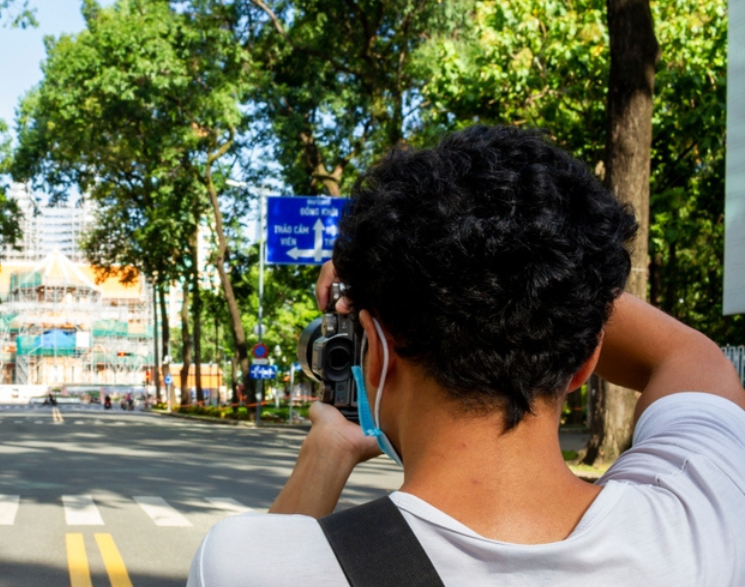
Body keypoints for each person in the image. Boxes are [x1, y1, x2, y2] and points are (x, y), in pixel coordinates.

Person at [187, 126, 745, 586]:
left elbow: (276, 552)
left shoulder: (246, 565)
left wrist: (328, 450)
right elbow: (686, 354)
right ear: (585, 359)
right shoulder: (706, 519)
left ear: (373, 355)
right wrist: (554, 283)